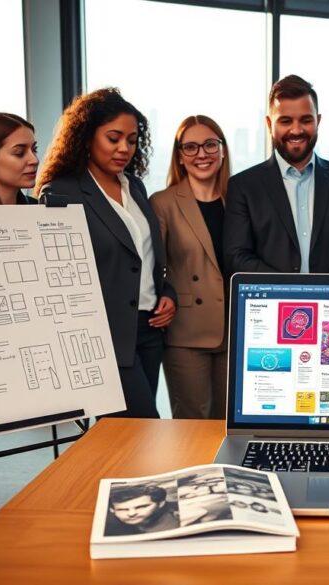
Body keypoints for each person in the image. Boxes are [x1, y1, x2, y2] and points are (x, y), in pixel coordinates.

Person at [36, 88, 176, 419]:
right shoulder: (61, 193)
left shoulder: (135, 187)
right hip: (106, 337)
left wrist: (166, 291)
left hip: (149, 330)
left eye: (131, 139)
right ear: (87, 136)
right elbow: (56, 277)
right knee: (143, 427)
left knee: (130, 437)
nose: (124, 148)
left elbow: (147, 255)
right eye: (113, 138)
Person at [224, 75, 329, 275]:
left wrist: (322, 290)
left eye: (305, 120)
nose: (296, 130)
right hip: (271, 302)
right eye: (285, 121)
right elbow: (236, 256)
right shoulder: (243, 186)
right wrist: (290, 290)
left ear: (318, 121)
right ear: (270, 124)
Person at [150, 115, 231, 420]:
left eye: (210, 145)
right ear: (180, 157)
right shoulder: (163, 202)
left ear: (222, 151)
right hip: (186, 330)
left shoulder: (239, 198)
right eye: (191, 147)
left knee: (231, 423)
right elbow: (153, 266)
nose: (202, 154)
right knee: (192, 423)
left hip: (235, 328)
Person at [105, 482, 180, 536]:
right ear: (112, 509)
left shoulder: (177, 518)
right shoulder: (107, 525)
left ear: (161, 503)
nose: (131, 514)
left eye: (142, 507)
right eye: (122, 509)